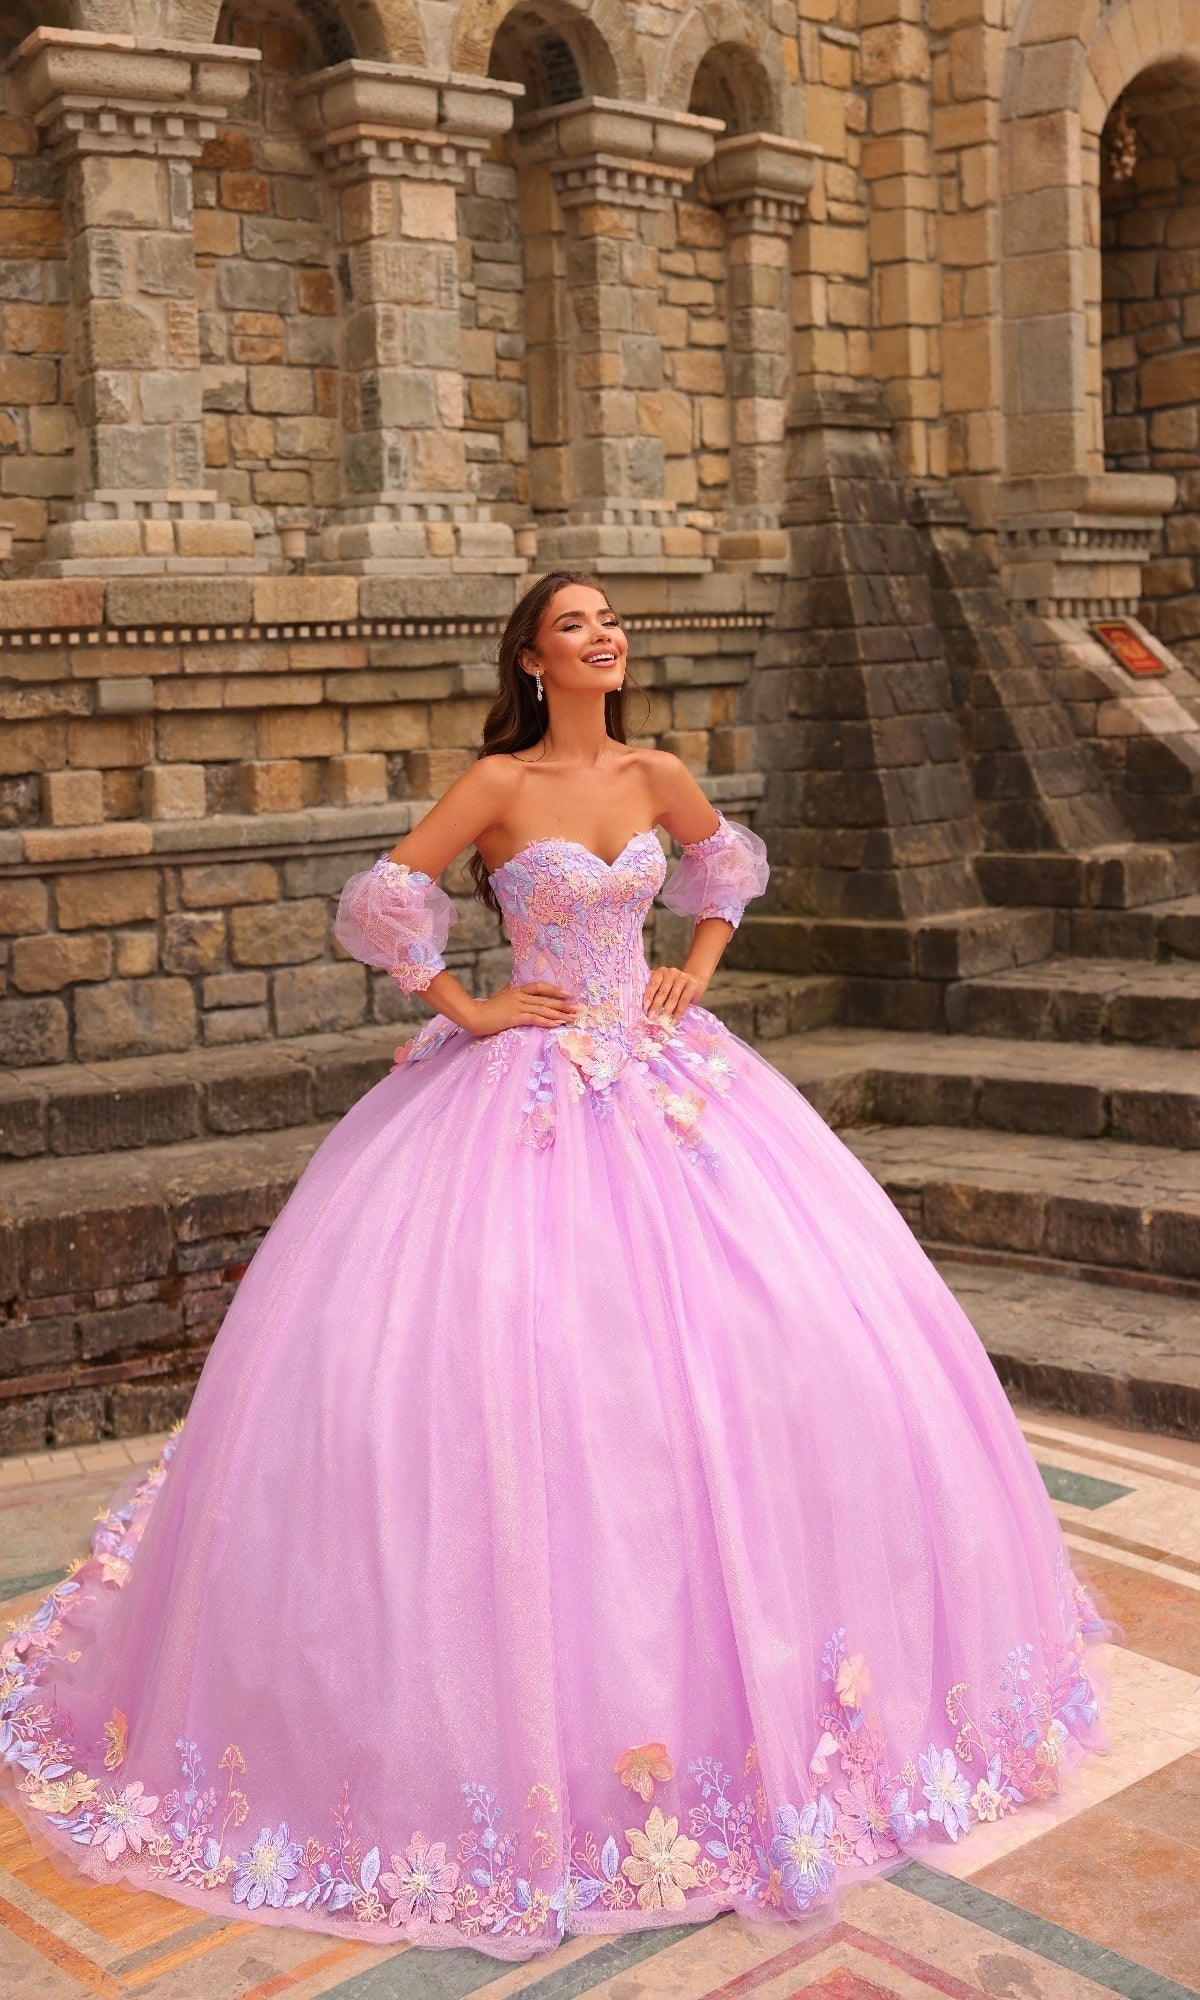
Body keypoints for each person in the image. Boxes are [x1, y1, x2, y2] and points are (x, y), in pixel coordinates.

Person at [0, 570, 1116, 1962]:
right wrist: (463, 1002)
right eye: (577, 623)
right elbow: (383, 898)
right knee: (497, 1367)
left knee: (769, 1347)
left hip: (666, 1080)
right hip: (518, 1085)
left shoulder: (655, 769)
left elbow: (725, 871)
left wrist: (694, 969)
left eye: (610, 620)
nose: (606, 635)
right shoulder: (498, 783)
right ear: (533, 657)